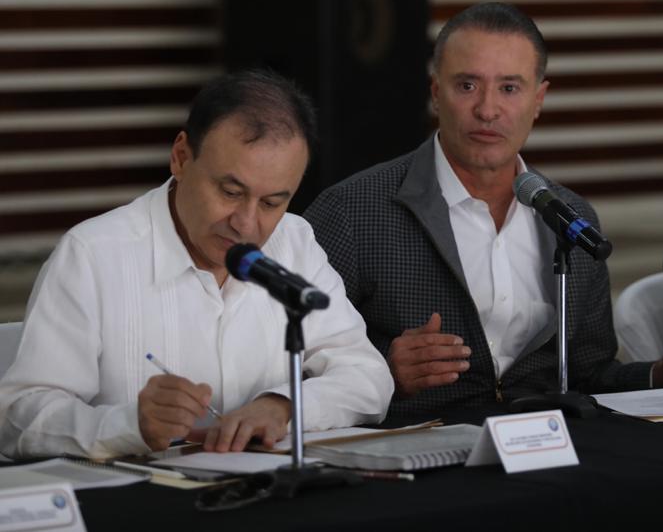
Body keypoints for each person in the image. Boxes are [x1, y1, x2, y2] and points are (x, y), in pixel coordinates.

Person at [305, 2, 663, 417]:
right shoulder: (352, 211)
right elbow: (290, 361)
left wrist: (662, 373)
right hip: (416, 443)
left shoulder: (570, 218)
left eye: (509, 88)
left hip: (547, 441)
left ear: (538, 100)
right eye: (467, 86)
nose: (488, 110)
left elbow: (589, 375)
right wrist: (382, 370)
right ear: (435, 93)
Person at [0, 69, 393, 459]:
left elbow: (368, 376)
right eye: (230, 192)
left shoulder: (294, 241)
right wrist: (128, 424)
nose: (246, 223)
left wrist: (284, 406)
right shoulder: (93, 254)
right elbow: (17, 418)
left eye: (272, 203)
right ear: (181, 157)